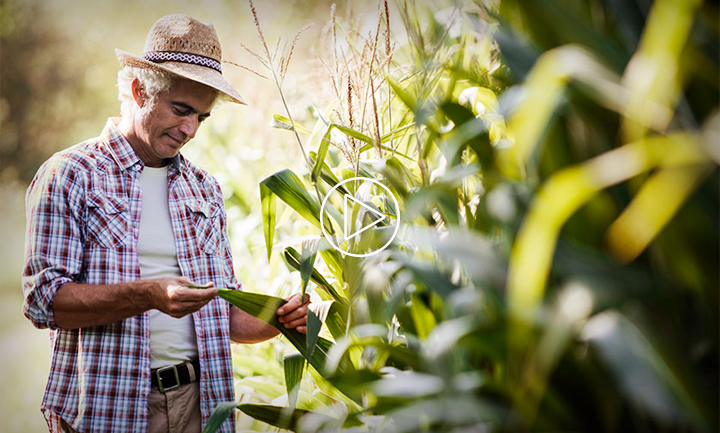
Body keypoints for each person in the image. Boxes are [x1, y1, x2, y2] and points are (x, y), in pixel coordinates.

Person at [22, 14, 309, 433]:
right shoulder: (70, 174)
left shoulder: (204, 188)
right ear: (140, 91)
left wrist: (282, 317)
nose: (190, 129)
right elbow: (43, 301)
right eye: (181, 110)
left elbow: (219, 314)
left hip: (201, 405)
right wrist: (149, 295)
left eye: (202, 117)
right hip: (107, 407)